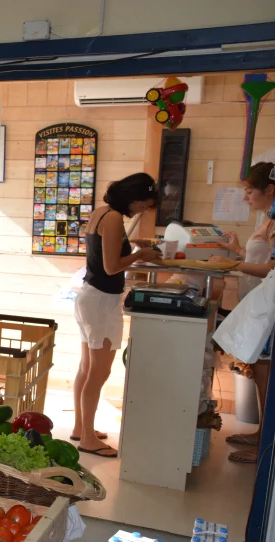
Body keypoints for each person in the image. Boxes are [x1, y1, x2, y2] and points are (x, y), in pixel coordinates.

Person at [72, 173, 162, 457]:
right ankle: (88, 438)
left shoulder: (103, 213)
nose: (143, 211)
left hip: (91, 297)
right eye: (143, 205)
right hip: (101, 302)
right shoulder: (113, 219)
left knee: (87, 369)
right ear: (131, 198)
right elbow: (112, 266)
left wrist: (136, 244)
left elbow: (106, 248)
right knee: (98, 372)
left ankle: (80, 427)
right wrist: (139, 255)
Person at [215, 162, 275, 464]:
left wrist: (232, 265)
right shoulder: (269, 219)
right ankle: (261, 434)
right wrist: (238, 251)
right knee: (257, 376)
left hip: (267, 314)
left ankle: (267, 444)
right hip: (255, 309)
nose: (245, 196)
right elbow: (262, 259)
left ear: (270, 190)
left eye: (249, 190)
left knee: (266, 379)